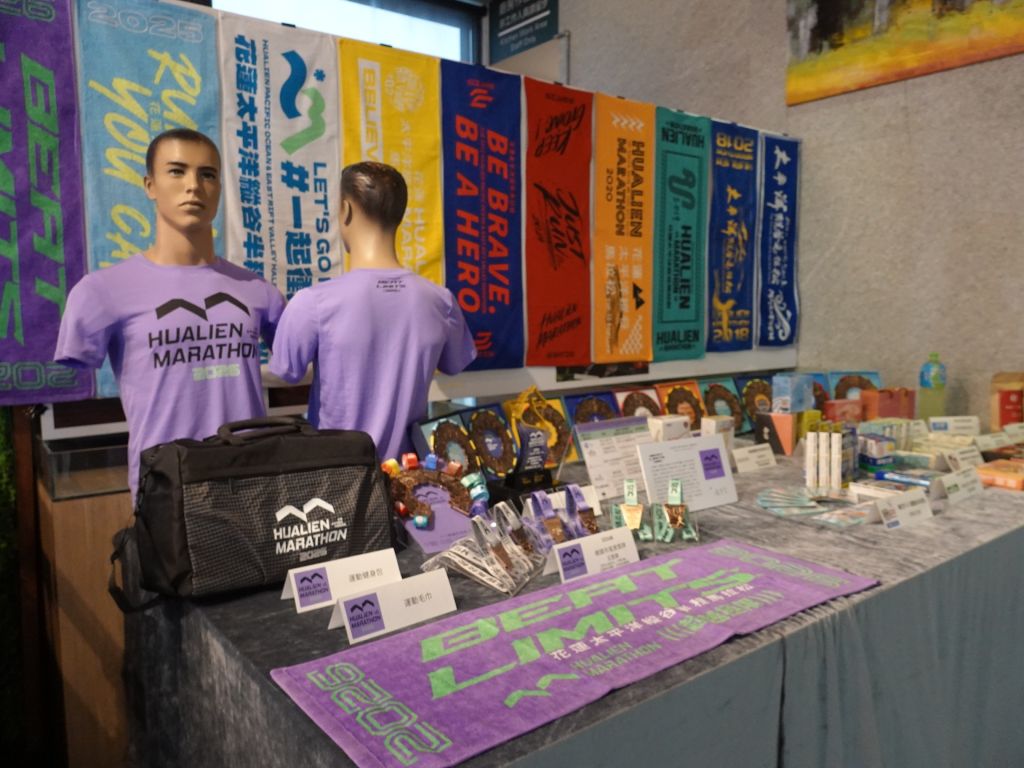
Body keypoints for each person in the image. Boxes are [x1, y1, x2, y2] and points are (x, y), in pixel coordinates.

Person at [55, 128, 286, 501]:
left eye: (207, 174)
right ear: (150, 185)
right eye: (177, 171)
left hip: (251, 485)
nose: (193, 186)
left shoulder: (257, 290)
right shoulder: (101, 291)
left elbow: (296, 364)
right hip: (166, 491)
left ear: (219, 188)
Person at [270, 161, 476, 460]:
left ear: (345, 210)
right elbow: (454, 364)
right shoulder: (441, 301)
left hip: (340, 476)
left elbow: (286, 372)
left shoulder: (313, 302)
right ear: (399, 214)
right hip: (413, 478)